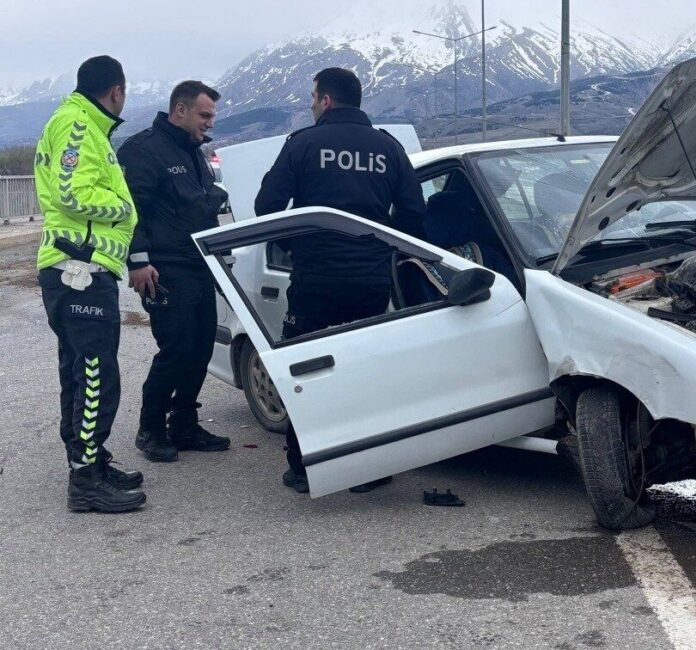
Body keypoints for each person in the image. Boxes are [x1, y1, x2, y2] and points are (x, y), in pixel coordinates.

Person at [254, 67, 426, 493]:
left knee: (308, 373)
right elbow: (413, 217)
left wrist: (298, 246)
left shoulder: (304, 144)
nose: (312, 106)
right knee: (364, 371)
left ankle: (304, 467)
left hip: (316, 279)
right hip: (370, 281)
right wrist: (382, 251)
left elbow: (267, 206)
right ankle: (367, 469)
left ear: (326, 101)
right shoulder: (389, 147)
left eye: (313, 98)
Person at [35, 55, 145, 512]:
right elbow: (73, 193)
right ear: (116, 91)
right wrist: (124, 206)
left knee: (80, 370)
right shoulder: (78, 125)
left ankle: (90, 463)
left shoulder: (82, 124)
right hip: (78, 268)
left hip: (78, 268)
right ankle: (84, 481)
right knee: (97, 373)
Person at [118, 81, 230, 463]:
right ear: (179, 111)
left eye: (211, 116)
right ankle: (150, 430)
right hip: (164, 269)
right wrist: (137, 260)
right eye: (204, 115)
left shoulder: (195, 153)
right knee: (176, 349)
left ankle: (183, 424)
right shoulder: (143, 150)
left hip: (199, 264)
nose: (209, 123)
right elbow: (131, 211)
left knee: (200, 349)